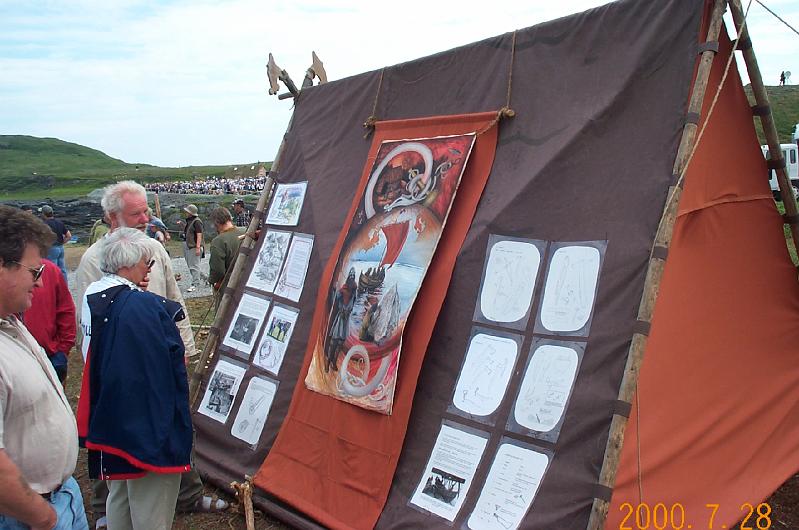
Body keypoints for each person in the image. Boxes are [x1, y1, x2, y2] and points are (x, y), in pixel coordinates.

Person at [75, 181, 224, 529]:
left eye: (146, 210)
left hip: (138, 385)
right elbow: (95, 337)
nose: (146, 217)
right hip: (137, 395)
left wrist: (186, 347)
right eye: (137, 212)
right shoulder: (94, 264)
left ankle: (182, 497)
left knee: (128, 485)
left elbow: (176, 299)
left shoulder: (128, 277)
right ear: (113, 216)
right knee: (140, 488)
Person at [78, 228, 192, 530]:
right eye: (148, 264)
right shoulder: (145, 308)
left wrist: (133, 290)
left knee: (121, 495)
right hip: (145, 425)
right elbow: (160, 373)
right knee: (150, 503)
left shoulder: (94, 297)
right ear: (128, 265)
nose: (149, 270)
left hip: (111, 416)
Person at [0, 205, 89, 529]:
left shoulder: (10, 321)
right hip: (28, 516)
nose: (39, 284)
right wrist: (44, 518)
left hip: (60, 497)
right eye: (33, 272)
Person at [22, 259, 76, 384]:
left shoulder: (51, 271)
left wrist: (62, 351)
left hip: (50, 357)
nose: (38, 283)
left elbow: (66, 311)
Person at [208, 207, 244, 307]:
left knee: (225, 315)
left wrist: (212, 281)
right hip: (247, 282)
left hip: (228, 285)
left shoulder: (219, 241)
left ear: (216, 222)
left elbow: (217, 270)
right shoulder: (245, 232)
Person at [324, 267, 357, 373]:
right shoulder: (343, 289)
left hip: (346, 320)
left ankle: (333, 362)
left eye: (353, 276)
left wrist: (349, 311)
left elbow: (353, 305)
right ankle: (328, 363)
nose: (351, 278)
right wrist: (335, 290)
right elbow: (335, 300)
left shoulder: (354, 292)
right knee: (334, 342)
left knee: (340, 343)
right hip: (339, 319)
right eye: (350, 276)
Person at [41, 205, 71, 281]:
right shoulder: (59, 222)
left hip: (51, 248)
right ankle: (64, 286)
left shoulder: (44, 224)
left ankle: (55, 288)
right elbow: (69, 236)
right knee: (62, 269)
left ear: (44, 214)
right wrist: (62, 243)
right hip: (60, 248)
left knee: (52, 270)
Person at [181, 204, 203, 292]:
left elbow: (199, 234)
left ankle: (195, 284)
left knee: (194, 266)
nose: (186, 213)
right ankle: (206, 279)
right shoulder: (190, 221)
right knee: (192, 265)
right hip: (189, 246)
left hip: (194, 246)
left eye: (187, 211)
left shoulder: (197, 221)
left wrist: (198, 247)